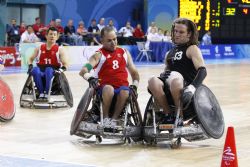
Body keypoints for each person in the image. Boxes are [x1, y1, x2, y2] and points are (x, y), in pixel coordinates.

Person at [148, 18, 207, 124]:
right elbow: (167, 74)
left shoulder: (192, 49)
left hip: (186, 88)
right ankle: (168, 114)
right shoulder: (169, 53)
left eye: (181, 32)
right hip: (170, 88)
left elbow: (203, 71)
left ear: (189, 34)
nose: (177, 34)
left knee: (176, 80)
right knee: (152, 80)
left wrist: (192, 88)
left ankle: (179, 116)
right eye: (175, 31)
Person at [79, 26, 140, 127]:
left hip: (122, 88)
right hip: (104, 88)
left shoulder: (124, 53)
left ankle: (115, 119)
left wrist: (135, 85)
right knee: (109, 89)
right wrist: (90, 78)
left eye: (115, 39)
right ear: (102, 41)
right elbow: (83, 71)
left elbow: (135, 73)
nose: (113, 43)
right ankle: (105, 118)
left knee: (125, 91)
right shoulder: (98, 55)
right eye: (109, 40)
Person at [27, 27, 69, 99]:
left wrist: (60, 70)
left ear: (57, 37)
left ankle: (47, 92)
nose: (52, 36)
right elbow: (30, 59)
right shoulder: (39, 48)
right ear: (46, 36)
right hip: (40, 70)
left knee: (48, 70)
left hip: (53, 71)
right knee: (35, 70)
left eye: (54, 35)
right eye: (50, 34)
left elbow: (66, 64)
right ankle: (41, 93)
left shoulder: (60, 49)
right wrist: (30, 66)